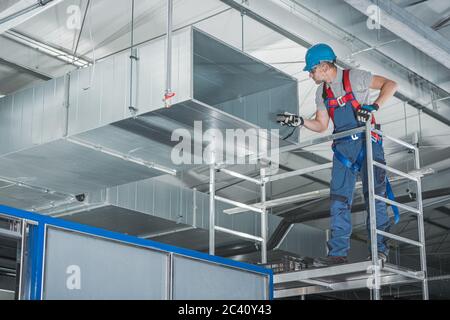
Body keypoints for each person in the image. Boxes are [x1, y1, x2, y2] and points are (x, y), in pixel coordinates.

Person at [277, 44, 399, 265]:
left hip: (367, 142)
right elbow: (322, 124)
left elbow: (391, 85)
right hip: (342, 148)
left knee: (375, 198)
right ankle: (337, 254)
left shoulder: (355, 77)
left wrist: (373, 107)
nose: (310, 74)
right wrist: (300, 121)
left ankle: (379, 251)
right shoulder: (321, 92)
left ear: (323, 66)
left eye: (311, 70)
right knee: (339, 201)